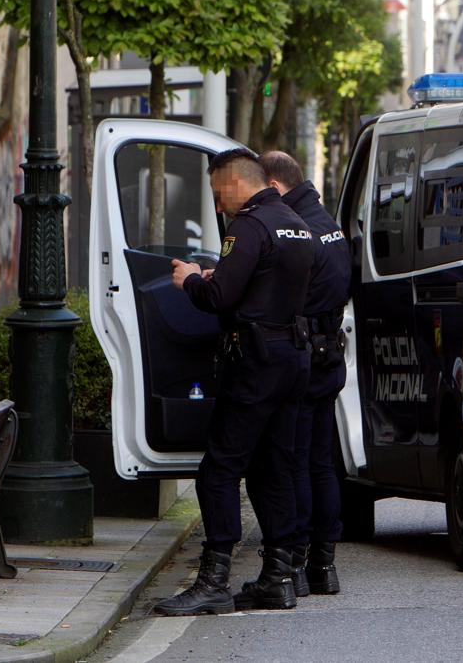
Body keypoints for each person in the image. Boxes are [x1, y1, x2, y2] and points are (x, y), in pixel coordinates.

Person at [153, 148, 315, 616]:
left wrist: (190, 281)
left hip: (256, 362)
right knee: (273, 468)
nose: (217, 203)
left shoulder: (247, 225)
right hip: (293, 357)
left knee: (218, 471)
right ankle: (279, 578)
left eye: (215, 191)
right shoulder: (294, 221)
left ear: (231, 181)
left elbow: (222, 297)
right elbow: (268, 284)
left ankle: (214, 581)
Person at [259, 150, 350, 596]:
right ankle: (324, 566)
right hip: (329, 351)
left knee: (292, 460)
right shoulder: (327, 221)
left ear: (274, 186)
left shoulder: (295, 228)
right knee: (321, 463)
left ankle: (292, 562)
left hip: (302, 354)